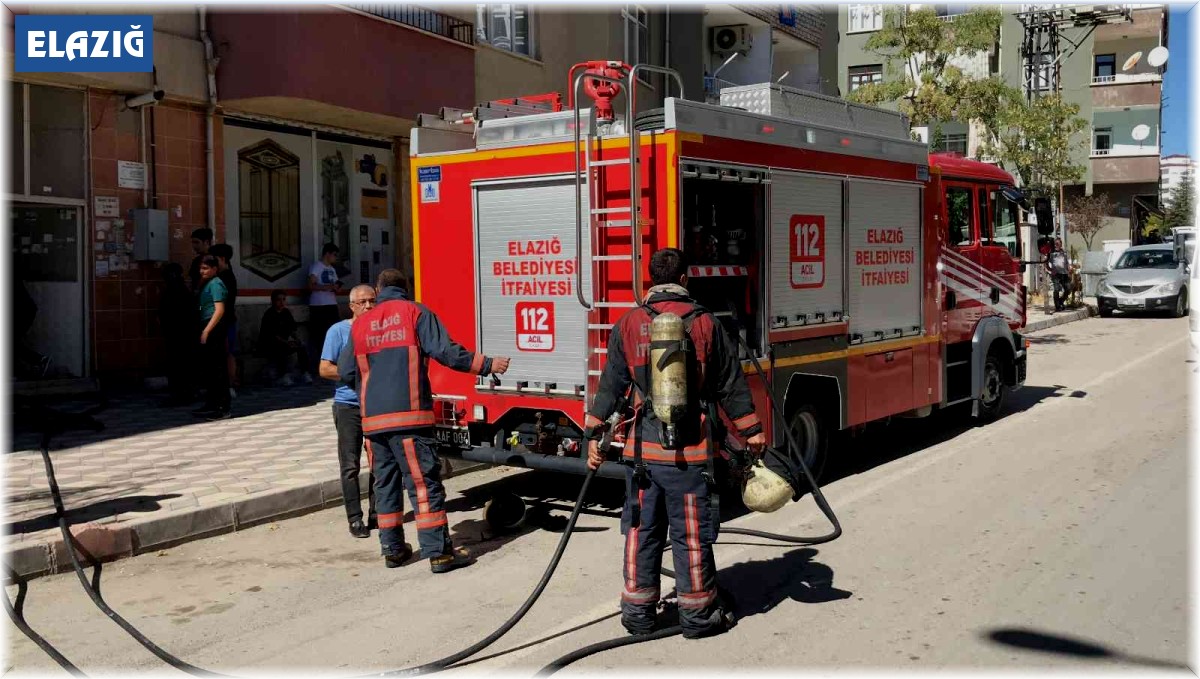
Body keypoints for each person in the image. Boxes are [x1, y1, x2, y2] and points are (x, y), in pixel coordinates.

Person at [585, 247, 766, 640]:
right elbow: (729, 384)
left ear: (651, 279)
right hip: (690, 456)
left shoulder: (629, 323)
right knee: (691, 536)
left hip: (641, 457)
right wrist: (751, 431)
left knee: (641, 531)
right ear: (685, 279)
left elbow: (611, 386)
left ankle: (638, 615)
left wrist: (594, 435)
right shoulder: (705, 323)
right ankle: (699, 617)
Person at [337, 269, 511, 571]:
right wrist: (486, 364)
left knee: (385, 486)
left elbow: (345, 371)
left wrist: (373, 392)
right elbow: (445, 351)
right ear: (405, 288)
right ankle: (439, 554)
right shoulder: (415, 313)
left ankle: (393, 551)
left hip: (373, 423)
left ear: (378, 289)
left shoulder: (361, 323)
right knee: (422, 485)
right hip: (410, 419)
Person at [320, 285, 377, 538]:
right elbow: (324, 369)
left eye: (372, 301)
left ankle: (378, 513)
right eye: (362, 302)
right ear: (352, 306)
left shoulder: (382, 330)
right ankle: (355, 519)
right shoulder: (338, 331)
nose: (368, 306)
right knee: (350, 465)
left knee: (380, 462)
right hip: (348, 406)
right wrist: (356, 376)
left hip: (376, 405)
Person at [195, 255, 231, 420]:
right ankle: (212, 403)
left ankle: (223, 407)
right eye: (201, 268)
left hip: (214, 327)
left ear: (214, 269)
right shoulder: (206, 284)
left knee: (218, 369)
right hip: (206, 324)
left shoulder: (216, 284)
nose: (202, 271)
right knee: (209, 368)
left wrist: (207, 331)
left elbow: (219, 310)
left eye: (206, 268)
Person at [159, 262, 198, 405]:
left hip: (177, 334)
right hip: (183, 334)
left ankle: (182, 394)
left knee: (178, 365)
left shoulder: (174, 291)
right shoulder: (182, 290)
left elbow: (169, 312)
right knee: (183, 364)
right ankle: (186, 392)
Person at [258, 290, 313, 386]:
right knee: (280, 348)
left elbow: (292, 329)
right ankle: (283, 375)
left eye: (284, 299)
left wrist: (296, 339)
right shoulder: (269, 314)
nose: (282, 302)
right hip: (269, 343)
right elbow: (272, 335)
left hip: (284, 342)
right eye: (279, 300)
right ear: (273, 301)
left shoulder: (286, 312)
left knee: (301, 346)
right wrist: (287, 343)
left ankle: (305, 373)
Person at [308, 243, 344, 378]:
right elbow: (311, 285)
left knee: (335, 332)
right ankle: (320, 365)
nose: (335, 257)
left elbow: (335, 284)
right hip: (319, 305)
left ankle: (334, 362)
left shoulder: (332, 269)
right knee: (320, 335)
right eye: (334, 255)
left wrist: (336, 287)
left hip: (331, 303)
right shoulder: (317, 266)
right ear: (327, 254)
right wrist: (327, 287)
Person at [209, 244, 241, 397]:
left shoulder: (225, 278)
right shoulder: (224, 276)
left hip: (224, 322)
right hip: (224, 321)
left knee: (227, 354)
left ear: (222, 259)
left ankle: (228, 385)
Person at [1046, 237, 1071, 312]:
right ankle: (1057, 306)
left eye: (1058, 244)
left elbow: (1066, 263)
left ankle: (1060, 301)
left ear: (1061, 244)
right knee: (1056, 289)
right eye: (1055, 244)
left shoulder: (1064, 253)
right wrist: (1050, 269)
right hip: (1056, 274)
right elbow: (1046, 262)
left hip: (1064, 274)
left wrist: (1069, 270)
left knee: (1068, 289)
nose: (1056, 245)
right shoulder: (1051, 253)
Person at [188, 228, 213, 293]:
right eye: (193, 242)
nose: (194, 246)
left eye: (197, 242)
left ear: (206, 242)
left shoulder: (215, 259)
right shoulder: (196, 260)